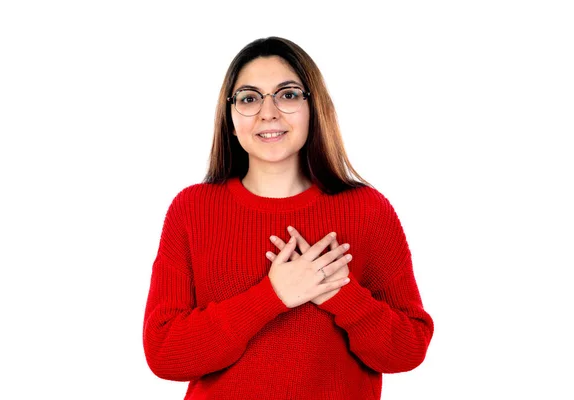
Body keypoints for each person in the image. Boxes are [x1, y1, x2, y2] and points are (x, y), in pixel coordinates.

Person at [143, 36, 434, 400]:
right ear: (230, 119)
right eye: (249, 98)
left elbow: (407, 351)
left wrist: (340, 293)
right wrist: (273, 295)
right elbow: (164, 354)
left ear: (314, 109)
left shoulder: (368, 210)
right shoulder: (192, 209)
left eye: (288, 94)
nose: (269, 112)